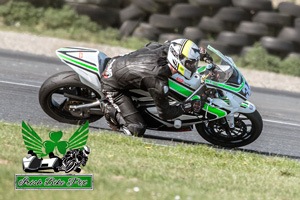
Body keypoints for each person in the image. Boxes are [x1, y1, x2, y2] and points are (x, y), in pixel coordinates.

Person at [100, 39, 213, 137]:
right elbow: (165, 113)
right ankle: (108, 108)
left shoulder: (165, 49)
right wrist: (187, 106)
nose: (193, 66)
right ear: (178, 60)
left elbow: (171, 45)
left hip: (120, 63)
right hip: (111, 83)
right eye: (190, 63)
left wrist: (199, 54)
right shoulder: (157, 78)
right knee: (136, 129)